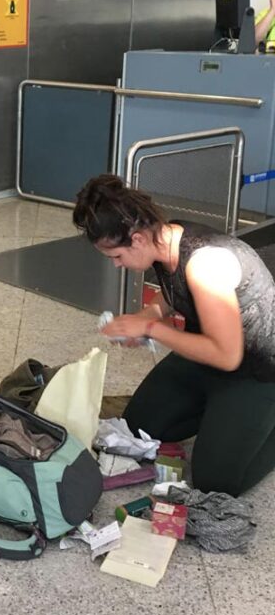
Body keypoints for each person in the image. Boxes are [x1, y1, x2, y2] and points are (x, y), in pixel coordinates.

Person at [73, 174, 275, 497]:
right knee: (138, 427)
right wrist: (145, 317)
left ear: (137, 239)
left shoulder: (205, 265)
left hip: (256, 370)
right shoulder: (166, 240)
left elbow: (228, 354)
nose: (116, 265)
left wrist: (153, 329)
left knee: (216, 482)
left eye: (116, 256)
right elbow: (170, 296)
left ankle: (250, 418)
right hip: (208, 356)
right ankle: (221, 414)